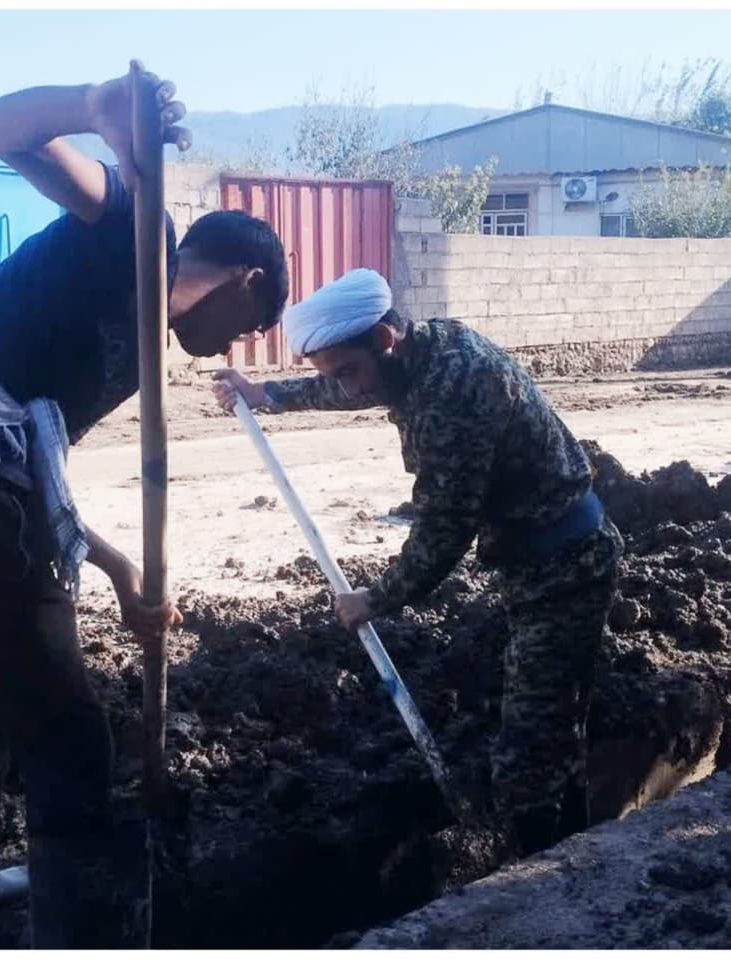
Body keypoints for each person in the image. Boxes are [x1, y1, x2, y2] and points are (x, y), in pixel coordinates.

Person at [0, 61, 289, 947]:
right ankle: (82, 934)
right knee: (70, 736)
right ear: (244, 279)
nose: (224, 352)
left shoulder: (133, 343)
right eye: (245, 328)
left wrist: (121, 566)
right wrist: (94, 109)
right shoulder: (139, 234)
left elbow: (30, 476)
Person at [212, 268, 622, 857]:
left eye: (348, 369)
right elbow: (350, 384)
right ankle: (579, 850)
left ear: (383, 338)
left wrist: (371, 600)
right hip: (543, 560)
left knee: (526, 763)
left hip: (564, 569)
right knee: (556, 728)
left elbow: (442, 534)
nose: (347, 389)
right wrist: (268, 394)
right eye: (333, 373)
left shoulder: (454, 393)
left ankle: (537, 888)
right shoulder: (422, 352)